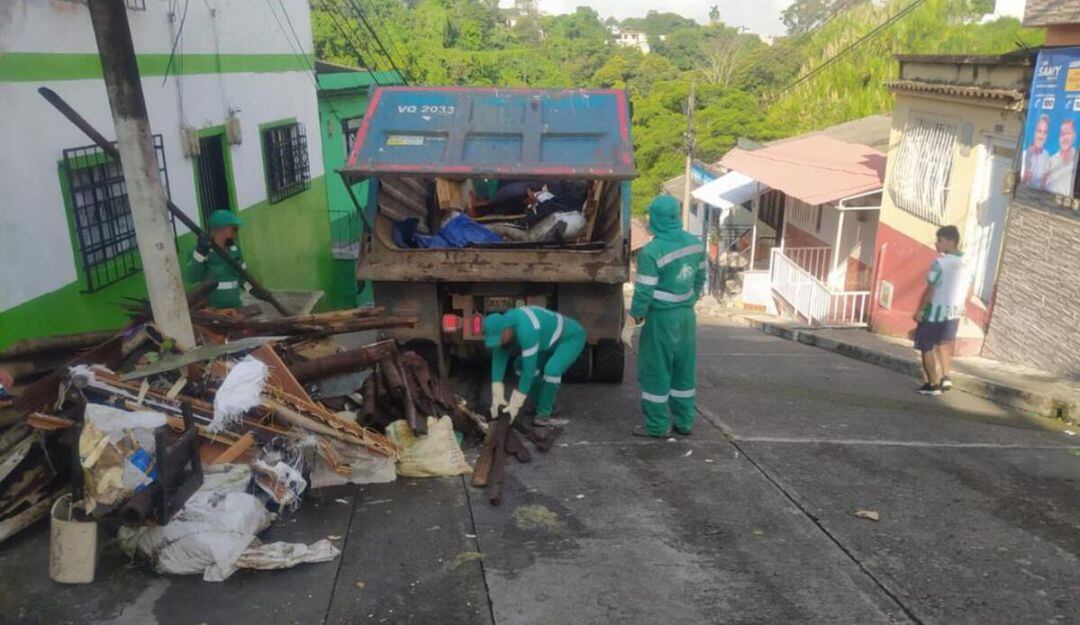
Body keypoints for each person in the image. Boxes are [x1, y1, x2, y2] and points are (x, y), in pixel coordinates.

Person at [627, 195, 706, 438]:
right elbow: (700, 278)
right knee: (684, 370)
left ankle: (657, 426)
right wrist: (688, 299)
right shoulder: (695, 243)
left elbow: (644, 292)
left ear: (657, 218)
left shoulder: (651, 251)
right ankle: (684, 422)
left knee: (656, 371)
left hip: (661, 320)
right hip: (686, 318)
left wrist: (634, 318)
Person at [484, 306, 586, 427]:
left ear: (506, 330)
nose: (499, 343)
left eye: (499, 339)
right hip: (548, 342)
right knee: (519, 365)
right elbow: (499, 359)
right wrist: (497, 395)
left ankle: (544, 414)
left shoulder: (526, 330)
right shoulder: (504, 326)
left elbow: (529, 370)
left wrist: (515, 404)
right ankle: (540, 402)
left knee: (552, 370)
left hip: (571, 337)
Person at [913, 225, 971, 396]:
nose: (936, 243)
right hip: (953, 312)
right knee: (944, 344)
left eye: (940, 240)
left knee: (926, 347)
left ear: (951, 241)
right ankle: (946, 377)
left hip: (935, 312)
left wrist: (921, 309)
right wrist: (963, 304)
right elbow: (970, 289)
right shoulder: (967, 262)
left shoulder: (939, 263)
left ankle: (932, 384)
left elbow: (931, 289)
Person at [184, 210, 270, 309]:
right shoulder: (200, 251)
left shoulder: (235, 250)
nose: (237, 230)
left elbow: (242, 278)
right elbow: (191, 277)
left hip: (236, 308)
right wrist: (200, 253)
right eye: (234, 228)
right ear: (223, 229)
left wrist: (255, 291)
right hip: (213, 311)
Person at [1046, 118, 1078, 197]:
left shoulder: (1077, 155)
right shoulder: (1050, 161)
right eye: (1063, 134)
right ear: (1059, 138)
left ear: (1074, 136)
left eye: (1068, 133)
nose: (1065, 138)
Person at [1021, 114, 1051, 191]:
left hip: (1038, 199)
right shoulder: (1025, 154)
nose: (1041, 136)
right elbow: (1014, 181)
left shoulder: (1047, 156)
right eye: (1039, 131)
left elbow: (1046, 185)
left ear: (1047, 136)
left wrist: (1046, 182)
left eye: (1045, 132)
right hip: (1024, 196)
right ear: (1035, 132)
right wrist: (1024, 178)